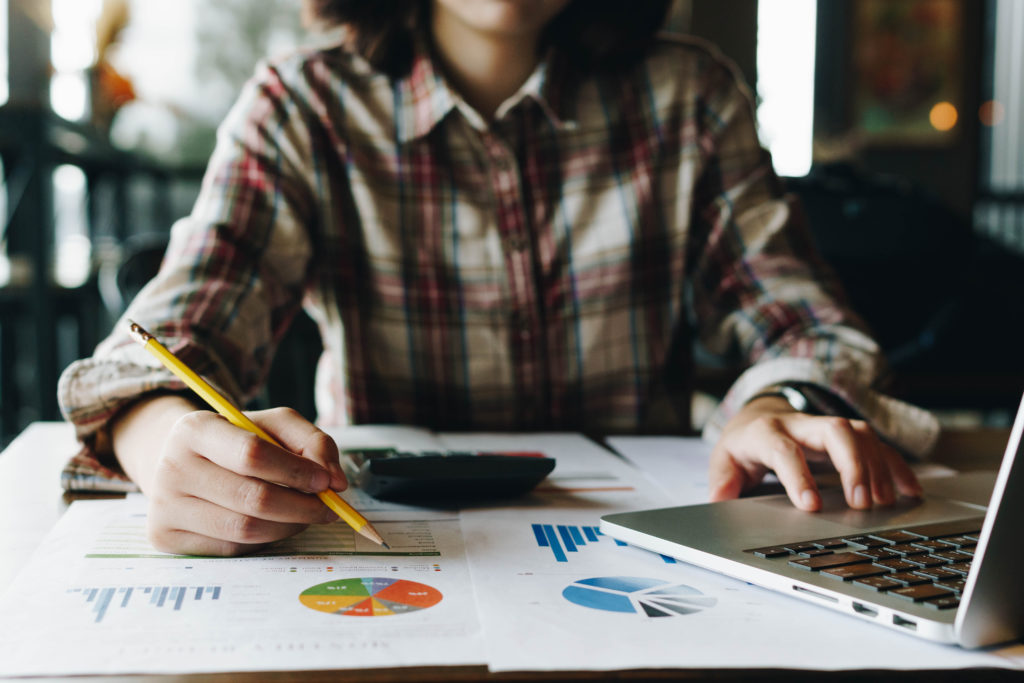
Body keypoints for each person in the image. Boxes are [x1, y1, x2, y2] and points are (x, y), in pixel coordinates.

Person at [58, 0, 938, 557]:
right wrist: (157, 435)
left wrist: (778, 402)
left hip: (648, 565)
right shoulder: (302, 106)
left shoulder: (691, 97)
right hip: (386, 552)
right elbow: (169, 336)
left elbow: (804, 328)